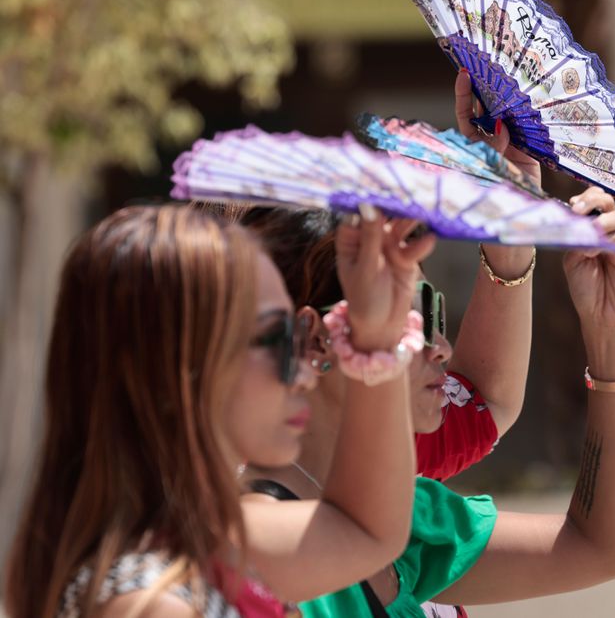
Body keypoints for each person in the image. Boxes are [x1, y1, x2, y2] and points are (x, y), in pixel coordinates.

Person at [228, 182, 615, 618]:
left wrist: (610, 332)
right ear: (315, 339)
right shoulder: (248, 547)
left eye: (434, 313)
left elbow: (607, 548)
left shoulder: (399, 518)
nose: (441, 346)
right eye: (412, 313)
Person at [5, 204, 434, 617]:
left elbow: (369, 531)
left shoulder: (196, 540)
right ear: (182, 366)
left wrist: (377, 336)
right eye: (280, 339)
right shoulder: (152, 605)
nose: (305, 371)